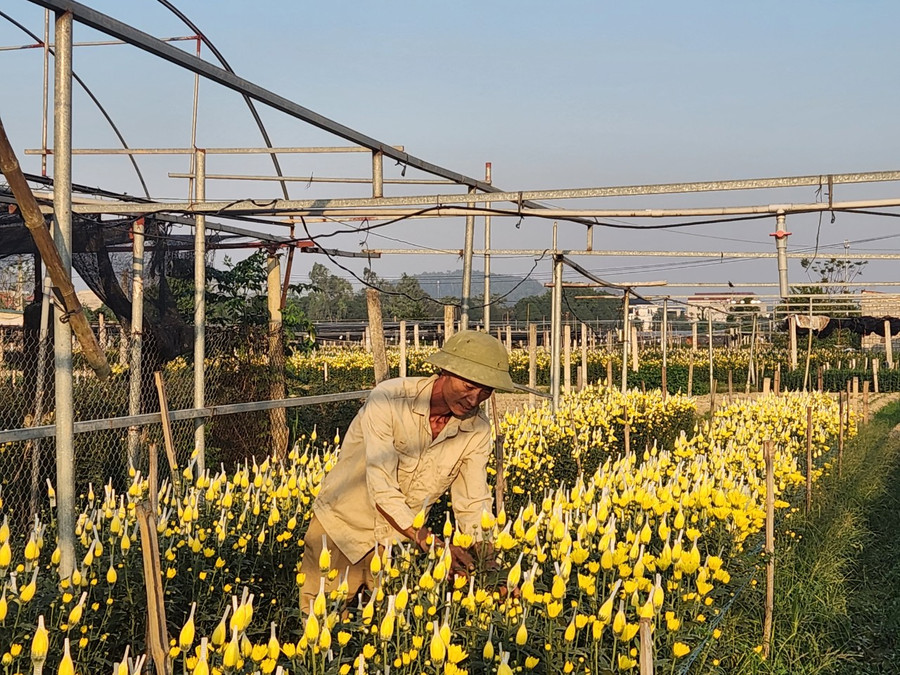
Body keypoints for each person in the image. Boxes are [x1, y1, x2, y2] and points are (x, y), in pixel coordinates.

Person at [299, 329, 515, 611]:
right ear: (445, 370)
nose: (474, 399)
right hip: (342, 529)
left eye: (485, 391)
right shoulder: (389, 399)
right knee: (320, 623)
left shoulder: (476, 429)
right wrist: (430, 542)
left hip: (396, 543)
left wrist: (490, 566)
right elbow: (381, 485)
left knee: (387, 629)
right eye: (468, 386)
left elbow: (473, 502)